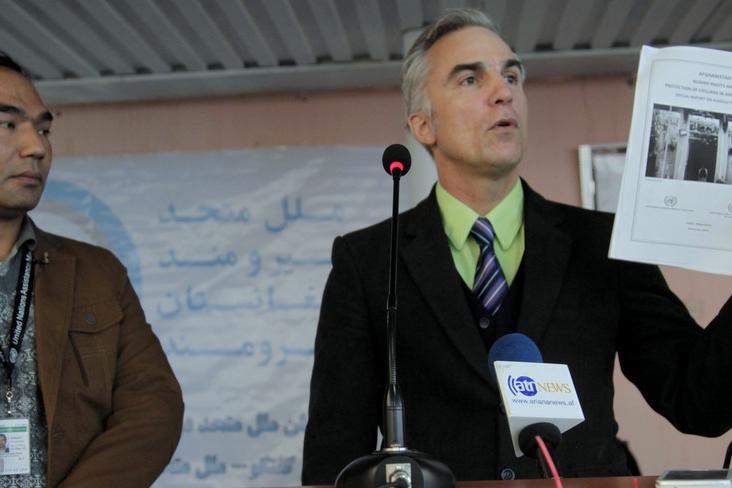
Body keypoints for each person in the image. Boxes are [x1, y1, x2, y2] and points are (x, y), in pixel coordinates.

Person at [302, 8, 732, 483]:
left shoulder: (604, 245)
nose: (503, 92)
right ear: (423, 126)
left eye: (511, 76)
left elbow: (699, 402)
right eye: (470, 79)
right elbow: (332, 456)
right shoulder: (367, 262)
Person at [0, 53, 183, 486]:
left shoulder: (96, 273)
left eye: (43, 129)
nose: (36, 148)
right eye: (8, 124)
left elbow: (154, 407)